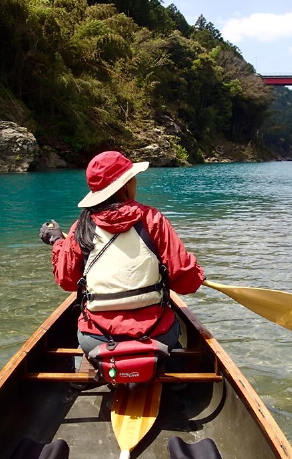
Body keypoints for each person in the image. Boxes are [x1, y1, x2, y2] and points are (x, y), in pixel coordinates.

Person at [39, 150, 204, 362]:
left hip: (96, 339)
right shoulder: (153, 220)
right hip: (156, 334)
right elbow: (186, 283)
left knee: (82, 330)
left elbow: (67, 281)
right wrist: (197, 272)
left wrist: (57, 243)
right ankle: (174, 377)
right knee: (173, 332)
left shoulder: (81, 228)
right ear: (125, 185)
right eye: (132, 177)